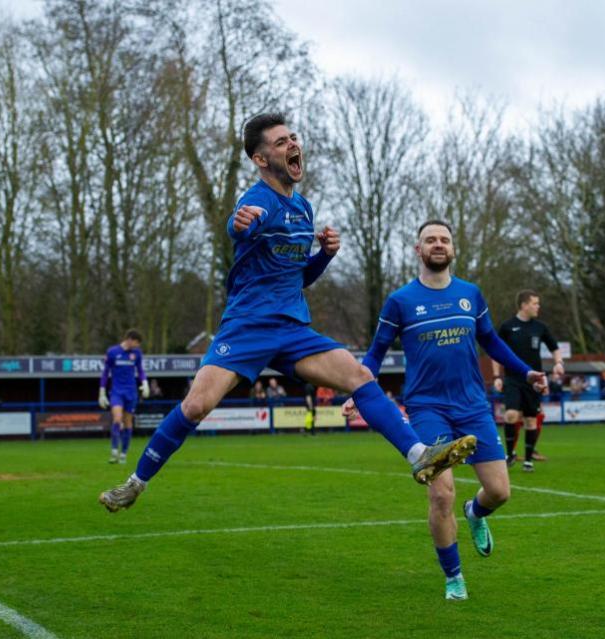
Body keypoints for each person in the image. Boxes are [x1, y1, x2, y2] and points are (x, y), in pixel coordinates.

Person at [98, 113, 476, 512]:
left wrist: (325, 256)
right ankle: (135, 483)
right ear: (261, 160)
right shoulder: (257, 199)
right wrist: (239, 223)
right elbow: (240, 224)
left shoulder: (305, 209)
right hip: (247, 326)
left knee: (359, 375)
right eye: (280, 142)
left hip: (293, 328)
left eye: (292, 138)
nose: (292, 144)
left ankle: (419, 454)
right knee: (195, 406)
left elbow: (298, 276)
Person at [344, 220, 547, 601]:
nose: (438, 244)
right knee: (441, 495)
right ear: (417, 249)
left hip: (473, 405)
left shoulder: (471, 294)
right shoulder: (400, 301)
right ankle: (454, 576)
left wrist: (527, 371)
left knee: (500, 492)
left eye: (444, 239)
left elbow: (492, 343)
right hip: (427, 408)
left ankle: (476, 514)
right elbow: (375, 353)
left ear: (453, 249)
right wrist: (359, 388)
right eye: (430, 240)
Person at [491, 290, 564, 472]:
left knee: (531, 421)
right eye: (535, 303)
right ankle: (510, 454)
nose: (538, 307)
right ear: (524, 305)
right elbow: (495, 352)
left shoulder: (540, 327)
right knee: (511, 415)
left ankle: (529, 460)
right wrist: (497, 376)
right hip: (513, 379)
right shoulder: (508, 327)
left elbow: (554, 348)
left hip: (534, 381)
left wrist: (558, 363)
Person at [99, 329, 150, 464]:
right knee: (117, 418)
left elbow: (140, 370)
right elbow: (105, 372)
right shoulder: (112, 352)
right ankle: (114, 450)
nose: (137, 346)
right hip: (116, 391)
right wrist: (102, 391)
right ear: (130, 340)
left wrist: (144, 383)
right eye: (137, 343)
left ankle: (123, 453)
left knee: (128, 423)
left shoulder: (136, 354)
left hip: (131, 392)